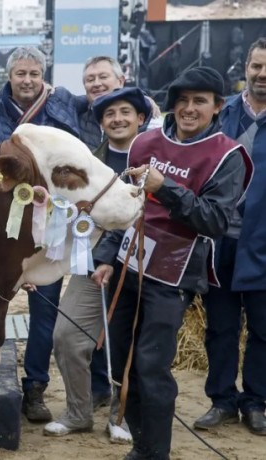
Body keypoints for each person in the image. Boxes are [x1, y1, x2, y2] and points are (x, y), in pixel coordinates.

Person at [92, 66, 253, 460]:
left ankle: (156, 453)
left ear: (218, 106)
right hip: (128, 263)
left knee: (151, 365)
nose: (189, 108)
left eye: (200, 101)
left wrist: (165, 188)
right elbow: (127, 204)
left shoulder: (227, 155)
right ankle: (141, 445)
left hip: (174, 274)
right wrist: (107, 256)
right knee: (122, 362)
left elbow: (214, 221)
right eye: (182, 100)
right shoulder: (145, 142)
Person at [0, 46, 80, 423]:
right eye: (20, 73)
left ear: (43, 77)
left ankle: (35, 389)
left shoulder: (62, 119)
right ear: (9, 76)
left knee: (44, 314)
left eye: (34, 74)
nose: (27, 81)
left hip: (46, 237)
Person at [44, 87, 153, 441]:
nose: (117, 119)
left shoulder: (156, 159)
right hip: (91, 266)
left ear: (141, 118)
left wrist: (110, 252)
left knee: (131, 343)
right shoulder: (89, 162)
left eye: (125, 112)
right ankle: (78, 412)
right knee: (66, 335)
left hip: (144, 267)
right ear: (102, 123)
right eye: (109, 114)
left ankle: (122, 416)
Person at [193, 38, 266, 436]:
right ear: (246, 68)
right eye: (256, 66)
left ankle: (256, 402)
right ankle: (221, 400)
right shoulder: (223, 113)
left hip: (263, 242)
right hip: (219, 238)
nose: (262, 75)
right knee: (220, 326)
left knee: (263, 330)